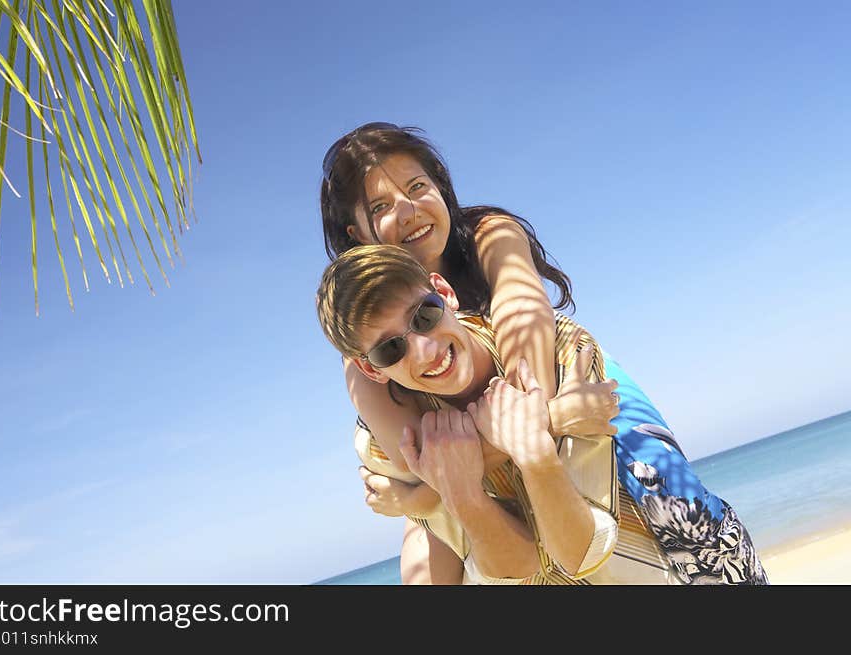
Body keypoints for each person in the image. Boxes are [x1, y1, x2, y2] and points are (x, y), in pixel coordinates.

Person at [319, 123, 768, 584]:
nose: (409, 210)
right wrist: (550, 420)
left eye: (417, 186)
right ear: (358, 232)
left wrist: (425, 488)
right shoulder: (363, 353)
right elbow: (428, 457)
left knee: (673, 503)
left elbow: (526, 357)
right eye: (381, 206)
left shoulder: (486, 235)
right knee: (430, 554)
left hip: (565, 378)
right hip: (514, 427)